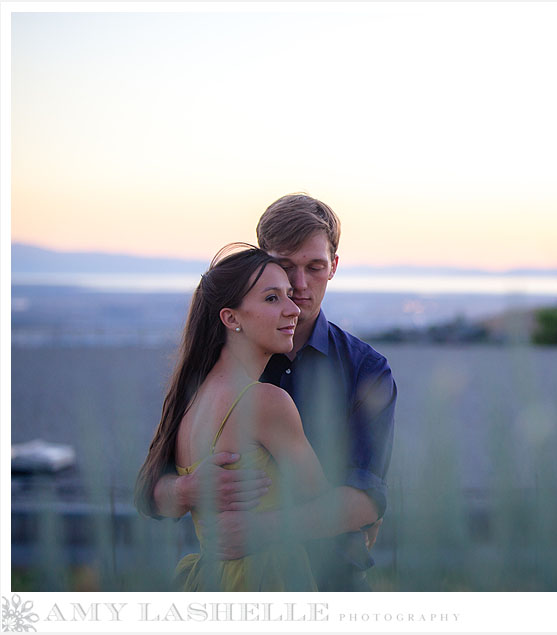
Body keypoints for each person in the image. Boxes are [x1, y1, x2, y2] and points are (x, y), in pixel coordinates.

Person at [144, 194, 397, 591]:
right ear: (261, 263)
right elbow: (151, 492)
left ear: (333, 267)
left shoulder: (366, 369)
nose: (298, 287)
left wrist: (260, 529)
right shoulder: (212, 373)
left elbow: (365, 498)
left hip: (334, 579)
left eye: (314, 267)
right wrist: (189, 488)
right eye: (283, 268)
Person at [135, 244, 330, 591]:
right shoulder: (266, 402)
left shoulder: (190, 399)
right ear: (231, 318)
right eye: (272, 299)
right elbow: (324, 504)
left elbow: (154, 491)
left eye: (288, 295)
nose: (292, 309)